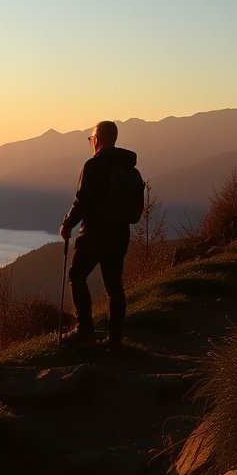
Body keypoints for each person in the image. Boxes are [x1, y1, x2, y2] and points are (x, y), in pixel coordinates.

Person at [59, 120, 138, 351]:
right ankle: (115, 341)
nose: (90, 142)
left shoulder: (93, 165)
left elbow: (82, 201)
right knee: (114, 286)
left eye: (91, 138)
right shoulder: (128, 166)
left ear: (97, 139)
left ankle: (85, 331)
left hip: (94, 232)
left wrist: (67, 224)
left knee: (77, 275)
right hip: (120, 232)